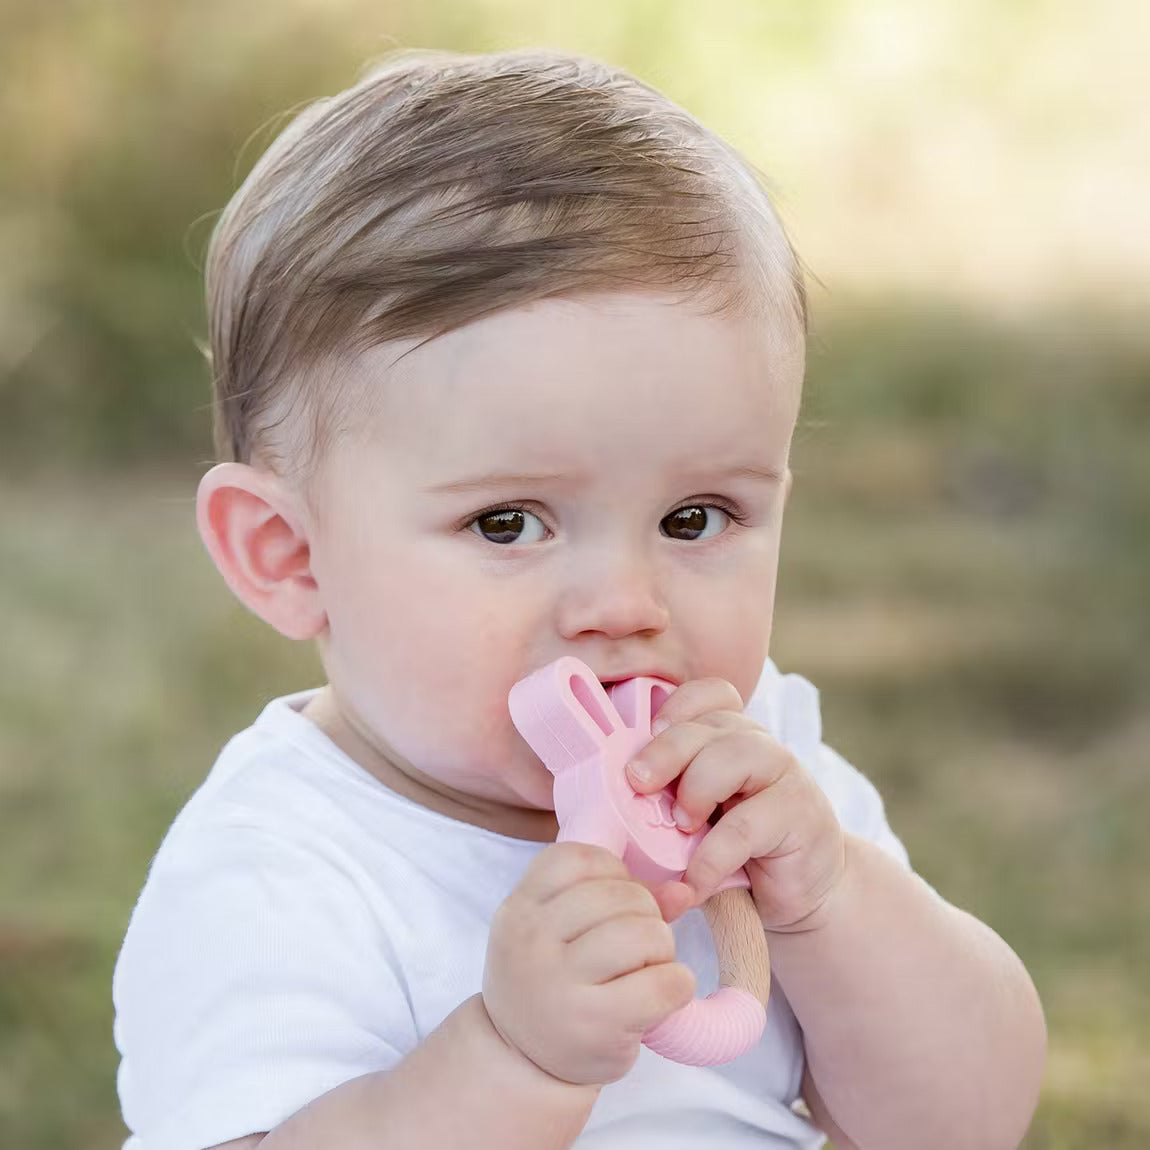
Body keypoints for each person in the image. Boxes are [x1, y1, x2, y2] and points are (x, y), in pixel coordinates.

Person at [112, 48, 1046, 1150]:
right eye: (507, 523)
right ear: (290, 556)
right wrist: (510, 1061)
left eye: (695, 518)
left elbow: (965, 1122)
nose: (623, 603)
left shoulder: (762, 777)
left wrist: (832, 902)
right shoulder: (283, 861)